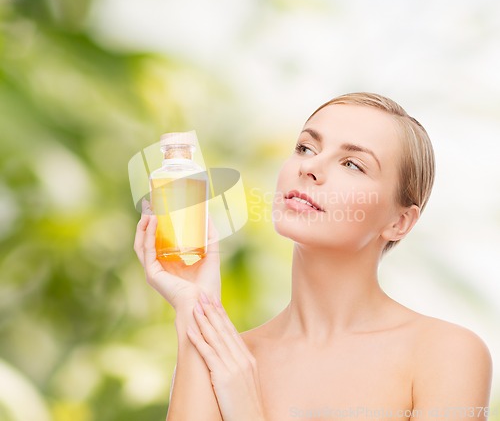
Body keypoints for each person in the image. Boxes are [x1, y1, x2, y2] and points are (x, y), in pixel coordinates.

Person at [134, 92, 493, 421]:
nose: (310, 167)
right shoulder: (227, 357)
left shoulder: (446, 354)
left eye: (352, 164)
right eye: (306, 147)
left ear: (399, 222)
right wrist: (194, 303)